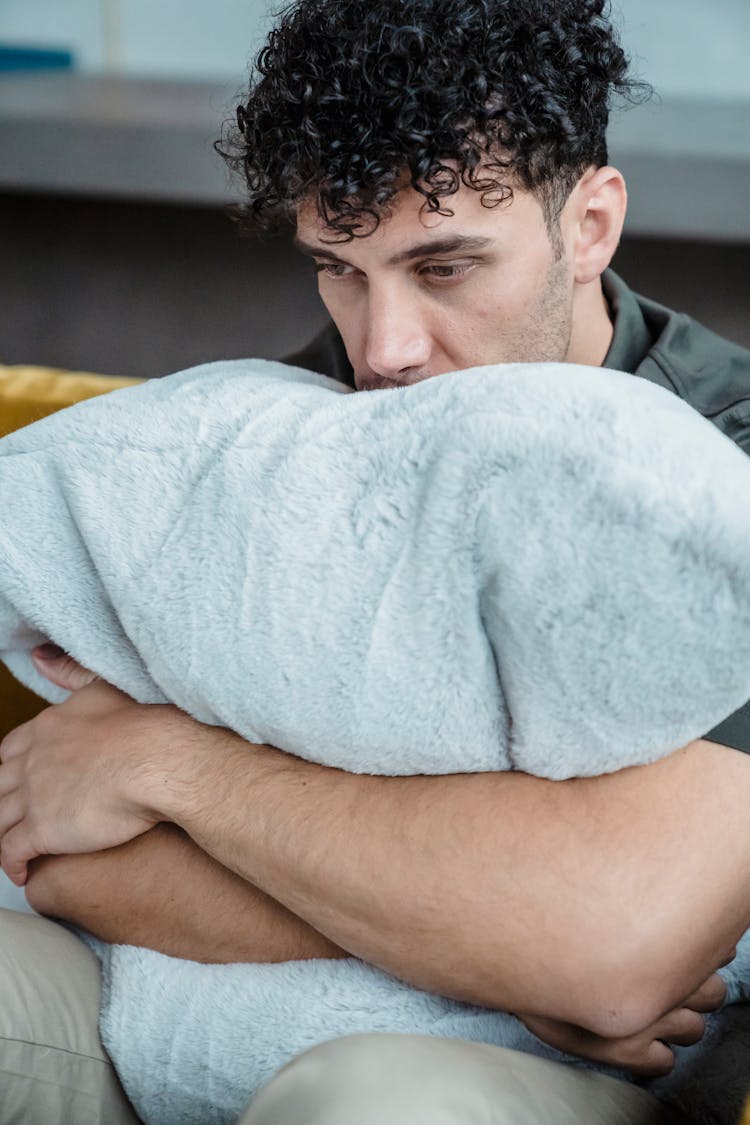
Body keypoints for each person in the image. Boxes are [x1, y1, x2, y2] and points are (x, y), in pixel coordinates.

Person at [1, 0, 749, 1121]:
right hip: (181, 1003)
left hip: (601, 1075)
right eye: (340, 271)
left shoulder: (721, 479)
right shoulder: (280, 434)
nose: (384, 352)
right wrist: (497, 936)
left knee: (368, 1100)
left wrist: (172, 767)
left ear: (589, 225)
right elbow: (61, 846)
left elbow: (608, 947)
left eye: (444, 268)